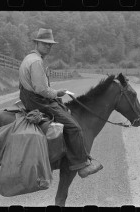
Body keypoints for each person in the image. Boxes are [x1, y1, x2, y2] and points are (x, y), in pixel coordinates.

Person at [18, 28, 103, 178]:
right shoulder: (36, 62)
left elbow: (39, 86)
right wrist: (57, 93)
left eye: (50, 45)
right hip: (37, 101)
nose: (48, 47)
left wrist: (54, 93)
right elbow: (41, 89)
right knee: (75, 127)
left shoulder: (29, 58)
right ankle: (81, 165)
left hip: (30, 98)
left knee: (65, 111)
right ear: (37, 43)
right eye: (45, 44)